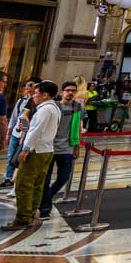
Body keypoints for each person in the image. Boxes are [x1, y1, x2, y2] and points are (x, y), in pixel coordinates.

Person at [3, 80, 59, 230]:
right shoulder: (53, 108)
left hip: (36, 150)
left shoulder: (45, 109)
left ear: (45, 95)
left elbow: (36, 130)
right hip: (46, 149)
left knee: (23, 183)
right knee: (37, 184)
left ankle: (23, 218)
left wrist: (26, 149)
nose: (33, 96)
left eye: (35, 93)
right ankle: (30, 213)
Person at [41, 80, 84, 219]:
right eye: (68, 90)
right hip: (49, 146)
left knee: (64, 177)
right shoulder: (53, 107)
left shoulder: (78, 107)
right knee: (45, 179)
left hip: (67, 146)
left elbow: (78, 127)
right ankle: (45, 208)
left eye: (73, 90)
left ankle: (47, 197)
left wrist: (77, 146)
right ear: (62, 92)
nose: (70, 93)